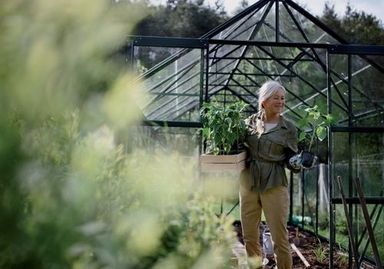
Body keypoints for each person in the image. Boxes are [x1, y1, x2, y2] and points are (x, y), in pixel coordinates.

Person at [240, 80, 299, 269]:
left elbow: (292, 159)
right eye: (276, 98)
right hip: (248, 181)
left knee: (279, 237)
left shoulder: (288, 128)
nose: (281, 102)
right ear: (264, 100)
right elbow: (237, 149)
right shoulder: (249, 123)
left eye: (283, 98)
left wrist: (299, 162)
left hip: (274, 182)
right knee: (249, 235)